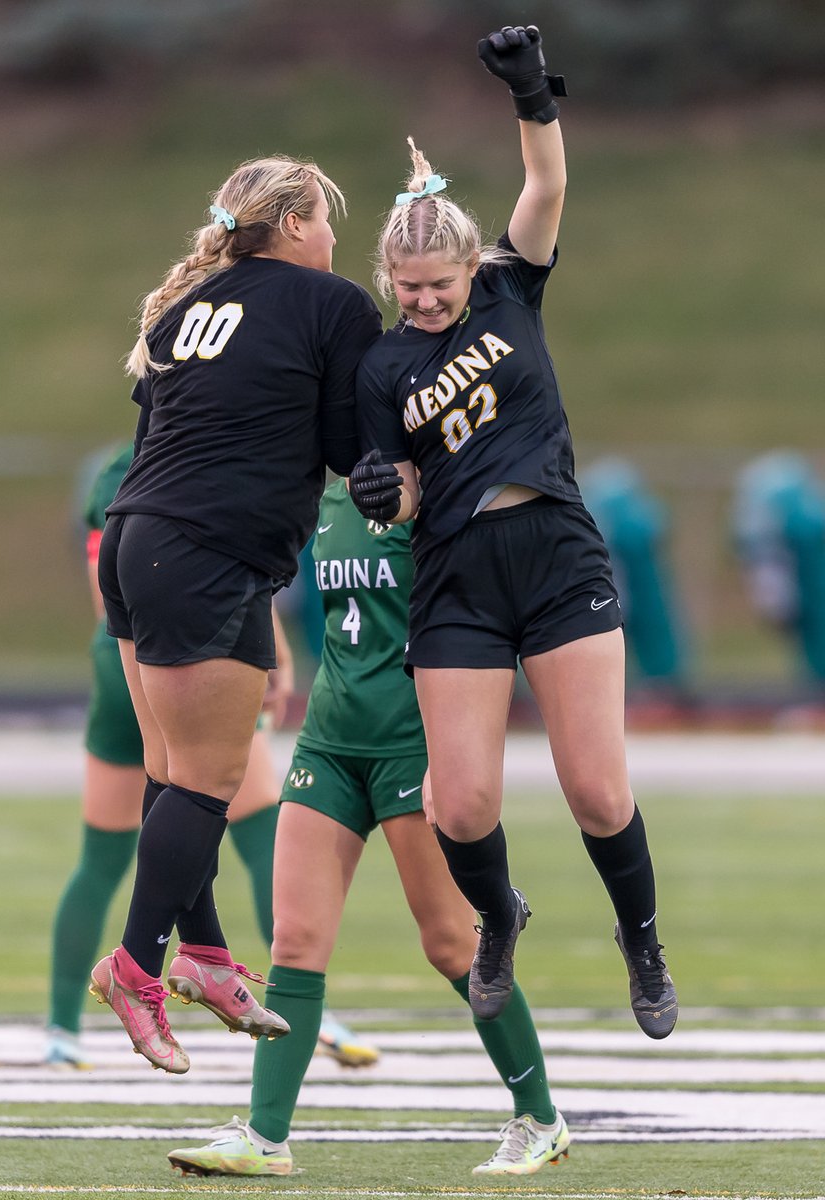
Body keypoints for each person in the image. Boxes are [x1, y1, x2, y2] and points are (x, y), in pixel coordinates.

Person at [348, 24, 678, 1039]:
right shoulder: (382, 367)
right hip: (457, 577)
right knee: (461, 804)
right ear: (389, 280)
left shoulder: (507, 286)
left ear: (466, 261)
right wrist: (377, 490)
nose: (426, 299)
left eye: (438, 283)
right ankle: (499, 919)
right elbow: (402, 496)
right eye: (408, 290)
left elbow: (546, 188)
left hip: (554, 554)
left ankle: (643, 940)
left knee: (595, 788)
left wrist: (533, 94)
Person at [166, 477, 570, 1178]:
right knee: (295, 939)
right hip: (329, 739)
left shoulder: (441, 500)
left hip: (413, 744)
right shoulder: (318, 500)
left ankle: (540, 1117)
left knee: (451, 944)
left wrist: (461, 753)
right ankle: (265, 1138)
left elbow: (485, 624)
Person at [89, 156, 383, 1074]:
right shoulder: (329, 302)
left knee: (176, 772)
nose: (336, 237)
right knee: (208, 782)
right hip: (206, 553)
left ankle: (208, 957)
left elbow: (153, 438)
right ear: (295, 222)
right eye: (327, 219)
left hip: (141, 543)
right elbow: (344, 446)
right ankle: (136, 970)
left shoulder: (188, 306)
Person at [45, 443, 379, 1070]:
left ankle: (64, 1027)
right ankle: (299, 994)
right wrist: (262, 647)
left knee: (116, 847)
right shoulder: (183, 458)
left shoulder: (138, 460)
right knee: (245, 824)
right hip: (183, 646)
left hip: (127, 651)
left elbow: (110, 585)